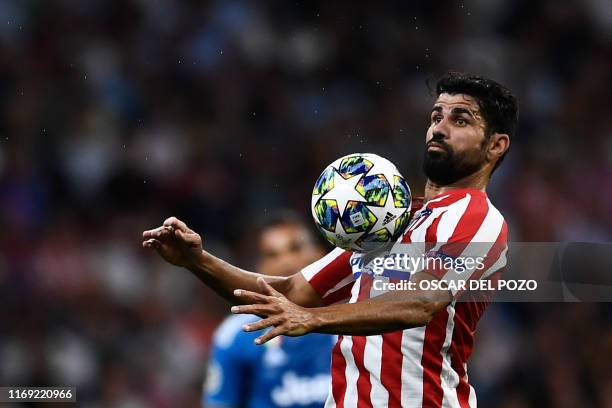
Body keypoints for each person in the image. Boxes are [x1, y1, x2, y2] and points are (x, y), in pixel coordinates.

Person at [143, 71, 517, 407]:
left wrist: (312, 319)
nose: (439, 128)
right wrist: (198, 261)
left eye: (460, 119)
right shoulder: (389, 219)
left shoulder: (478, 219)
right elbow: (289, 294)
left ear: (496, 145)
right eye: (436, 116)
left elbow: (420, 302)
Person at [202, 212, 335, 408]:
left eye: (295, 248)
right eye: (273, 255)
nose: (286, 262)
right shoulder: (237, 334)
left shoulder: (354, 320)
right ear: (259, 268)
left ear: (319, 254)